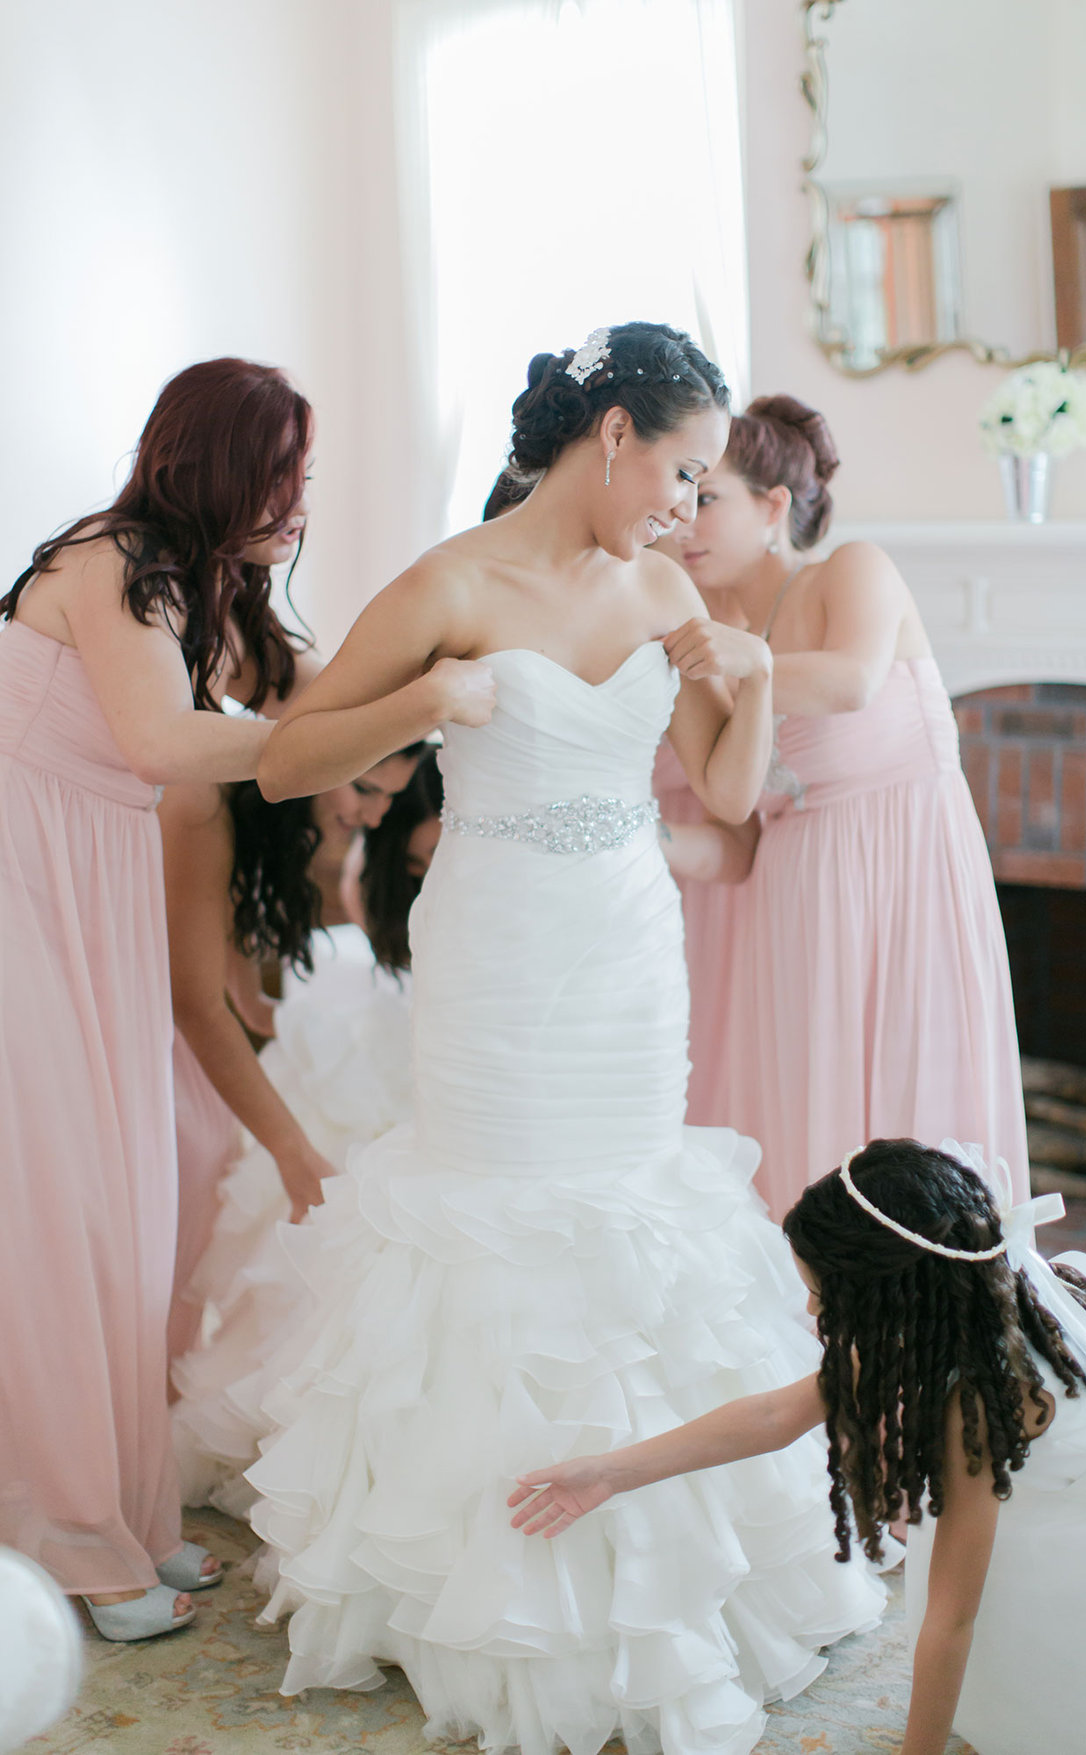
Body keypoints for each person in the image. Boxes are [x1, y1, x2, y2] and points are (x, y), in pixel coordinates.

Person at [242, 322, 887, 1753]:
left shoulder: (664, 584)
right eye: (680, 469)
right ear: (610, 439)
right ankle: (485, 1572)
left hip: (625, 953)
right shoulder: (449, 584)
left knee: (627, 1200)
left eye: (707, 483)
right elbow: (290, 757)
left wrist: (756, 675)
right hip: (499, 954)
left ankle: (665, 1562)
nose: (686, 507)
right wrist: (420, 703)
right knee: (500, 1222)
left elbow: (722, 796)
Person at [511, 1137, 1086, 1755]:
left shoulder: (969, 1398)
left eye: (820, 1293)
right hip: (1037, 1498)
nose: (809, 1307)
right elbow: (775, 1413)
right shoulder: (963, 1295)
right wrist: (609, 1472)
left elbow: (952, 1617)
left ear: (885, 1296)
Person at [0, 357, 311, 1641]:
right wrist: (336, 729)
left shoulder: (183, 583)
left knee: (121, 1206)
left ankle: (127, 1515)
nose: (298, 502)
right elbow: (162, 746)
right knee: (57, 1214)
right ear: (219, 463)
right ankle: (70, 1540)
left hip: (82, 885)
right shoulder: (111, 558)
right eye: (282, 473)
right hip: (25, 890)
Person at [657, 395, 1028, 1215]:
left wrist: (731, 668)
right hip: (795, 901)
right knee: (807, 1127)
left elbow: (855, 679)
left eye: (707, 499)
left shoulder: (851, 570)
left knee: (910, 1113)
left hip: (905, 875)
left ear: (774, 507)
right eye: (679, 499)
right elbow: (736, 822)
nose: (684, 522)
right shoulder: (716, 637)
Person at [171, 752, 445, 1512]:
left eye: (385, 798)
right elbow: (208, 1003)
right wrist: (290, 1146)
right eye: (364, 788)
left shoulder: (301, 832)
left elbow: (243, 1003)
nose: (371, 814)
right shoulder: (214, 805)